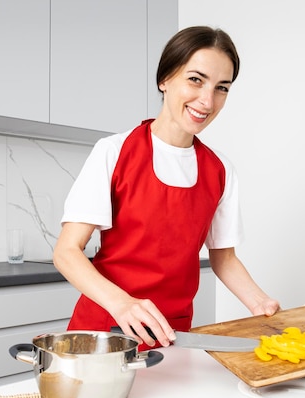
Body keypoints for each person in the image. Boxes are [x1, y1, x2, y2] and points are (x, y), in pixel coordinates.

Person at [53, 26, 279, 350]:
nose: (207, 100)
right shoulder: (114, 152)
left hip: (171, 338)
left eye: (222, 88)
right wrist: (121, 303)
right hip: (105, 333)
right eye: (196, 80)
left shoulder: (220, 171)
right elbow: (66, 252)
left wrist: (261, 305)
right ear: (165, 78)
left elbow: (224, 258)